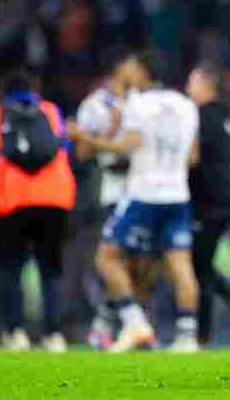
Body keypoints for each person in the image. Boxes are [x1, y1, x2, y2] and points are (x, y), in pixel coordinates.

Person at [71, 51, 201, 353]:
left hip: (143, 193)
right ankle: (186, 336)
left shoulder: (138, 105)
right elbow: (193, 157)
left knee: (106, 257)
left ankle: (135, 324)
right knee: (181, 266)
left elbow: (128, 145)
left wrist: (87, 138)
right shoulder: (186, 106)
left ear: (143, 73)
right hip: (177, 194)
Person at [0, 69, 76, 352]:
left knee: (10, 268)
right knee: (50, 270)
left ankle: (15, 333)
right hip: (54, 200)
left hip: (13, 201)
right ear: (33, 90)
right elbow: (65, 150)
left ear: (3, 94)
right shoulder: (50, 111)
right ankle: (54, 335)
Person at [185, 62, 230, 345]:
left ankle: (201, 337)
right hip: (226, 199)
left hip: (208, 201)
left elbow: (193, 158)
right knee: (200, 263)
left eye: (192, 82)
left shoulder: (199, 117)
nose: (188, 88)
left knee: (197, 266)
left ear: (205, 86)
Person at [74, 50, 135, 349]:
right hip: (112, 191)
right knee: (116, 259)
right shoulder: (94, 106)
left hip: (143, 189)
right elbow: (83, 154)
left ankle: (112, 323)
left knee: (138, 262)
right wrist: (111, 127)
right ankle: (111, 325)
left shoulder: (140, 100)